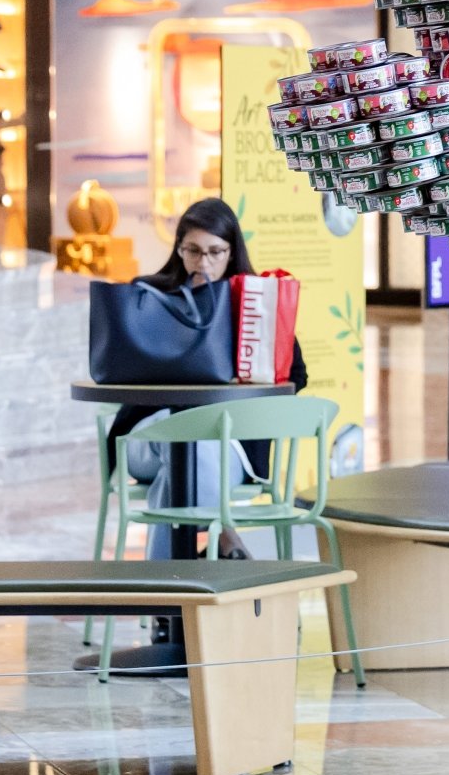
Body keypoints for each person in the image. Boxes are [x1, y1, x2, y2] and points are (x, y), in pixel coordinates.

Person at [106, 198, 307, 559]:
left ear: (232, 252)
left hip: (226, 443)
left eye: (215, 252)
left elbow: (295, 376)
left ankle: (165, 589)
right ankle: (225, 537)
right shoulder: (150, 296)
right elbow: (121, 369)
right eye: (193, 251)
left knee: (182, 466)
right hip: (149, 436)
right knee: (180, 439)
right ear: (179, 249)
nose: (203, 262)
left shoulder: (255, 305)